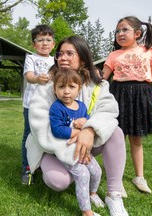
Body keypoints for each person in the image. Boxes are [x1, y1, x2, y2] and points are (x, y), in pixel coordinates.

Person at [26, 35, 129, 216]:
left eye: (69, 53)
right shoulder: (48, 84)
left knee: (116, 132)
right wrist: (73, 149)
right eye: (60, 54)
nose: (62, 57)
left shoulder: (97, 84)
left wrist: (89, 129)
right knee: (58, 181)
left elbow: (109, 109)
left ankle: (114, 195)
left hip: (87, 141)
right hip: (55, 145)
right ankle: (70, 170)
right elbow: (39, 125)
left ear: (82, 58)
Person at [102, 16, 152, 194]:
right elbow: (102, 78)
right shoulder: (113, 55)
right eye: (117, 31)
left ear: (137, 33)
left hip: (141, 97)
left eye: (124, 30)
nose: (120, 34)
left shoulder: (149, 52)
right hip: (118, 96)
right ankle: (116, 178)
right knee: (116, 138)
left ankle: (139, 177)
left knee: (136, 138)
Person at [49, 68, 104, 216]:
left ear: (79, 89)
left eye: (71, 87)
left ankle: (92, 193)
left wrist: (85, 122)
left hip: (82, 150)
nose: (66, 91)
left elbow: (88, 122)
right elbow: (57, 130)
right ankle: (86, 211)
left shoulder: (82, 106)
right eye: (61, 87)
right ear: (55, 89)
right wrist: (79, 132)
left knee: (96, 171)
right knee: (83, 174)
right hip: (66, 151)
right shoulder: (56, 108)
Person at [21, 24, 55, 185]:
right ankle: (27, 169)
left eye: (48, 40)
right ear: (34, 44)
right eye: (40, 40)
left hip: (49, 105)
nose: (44, 43)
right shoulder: (31, 58)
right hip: (31, 106)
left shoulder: (55, 60)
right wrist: (37, 79)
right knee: (29, 136)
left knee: (46, 136)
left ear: (53, 44)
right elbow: (29, 76)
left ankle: (42, 165)